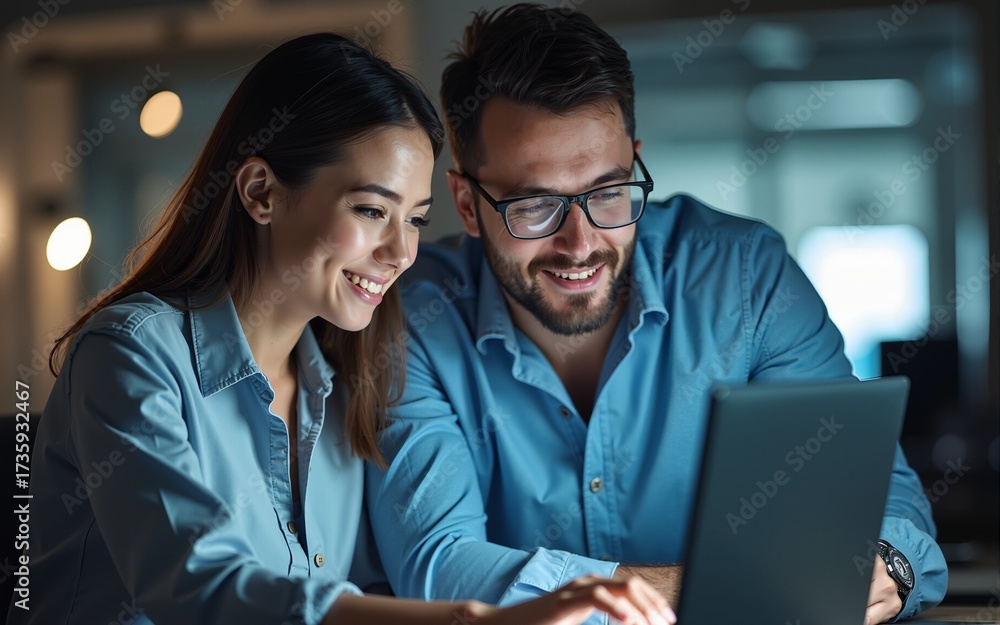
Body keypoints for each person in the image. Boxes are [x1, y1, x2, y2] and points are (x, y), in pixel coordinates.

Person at [9, 33, 675, 625]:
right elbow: (199, 586)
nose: (401, 253)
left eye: (414, 220)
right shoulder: (131, 353)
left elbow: (370, 592)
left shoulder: (346, 386)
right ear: (261, 192)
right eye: (371, 210)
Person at [364, 5, 948, 625]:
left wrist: (886, 564)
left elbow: (875, 499)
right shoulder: (411, 314)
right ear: (467, 204)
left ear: (635, 164)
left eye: (609, 192)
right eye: (534, 205)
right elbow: (438, 568)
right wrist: (715, 590)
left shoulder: (748, 279)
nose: (580, 243)